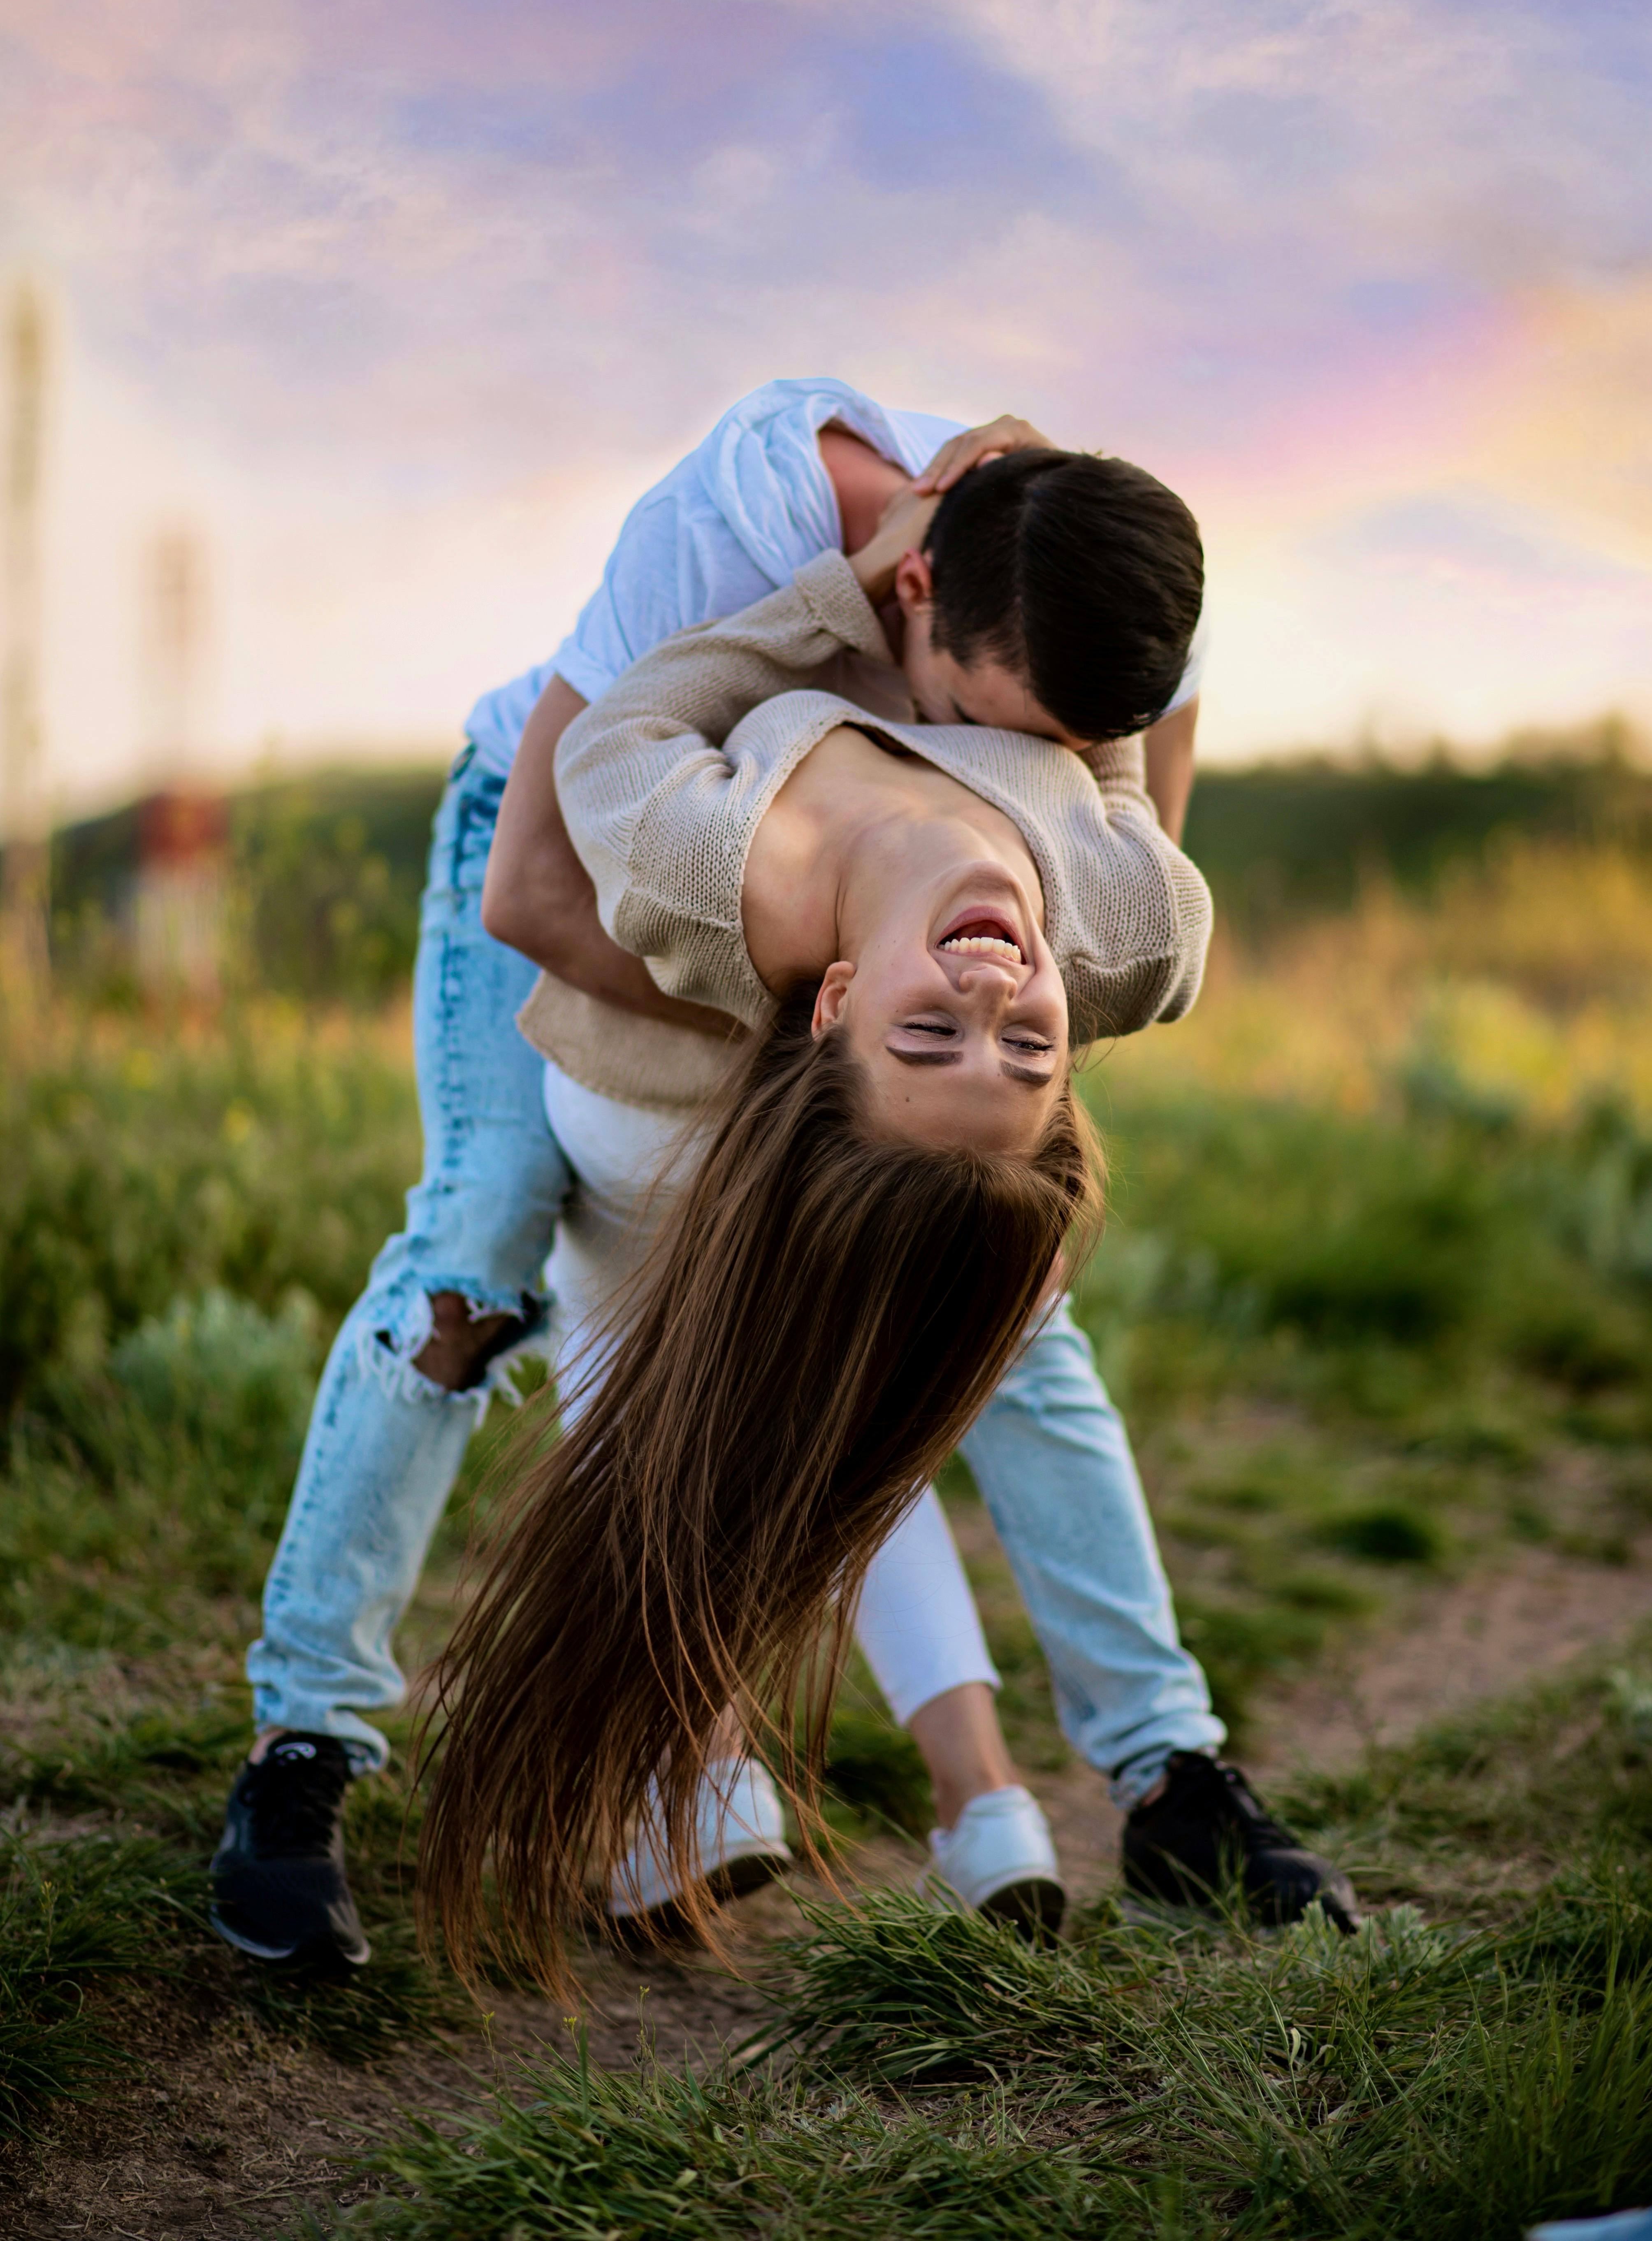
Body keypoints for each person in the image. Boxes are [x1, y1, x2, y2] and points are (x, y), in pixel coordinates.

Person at [210, 381, 1349, 1976]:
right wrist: (834, 1018)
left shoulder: (1118, 621)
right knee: (473, 1251)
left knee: (1002, 1301)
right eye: (993, 719)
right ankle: (301, 1752)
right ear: (913, 588)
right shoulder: (720, 533)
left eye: (1060, 744)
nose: (1022, 759)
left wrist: (946, 1057)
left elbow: (1121, 880)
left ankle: (1165, 1771)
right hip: (556, 879)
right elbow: (542, 893)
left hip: (849, 973)